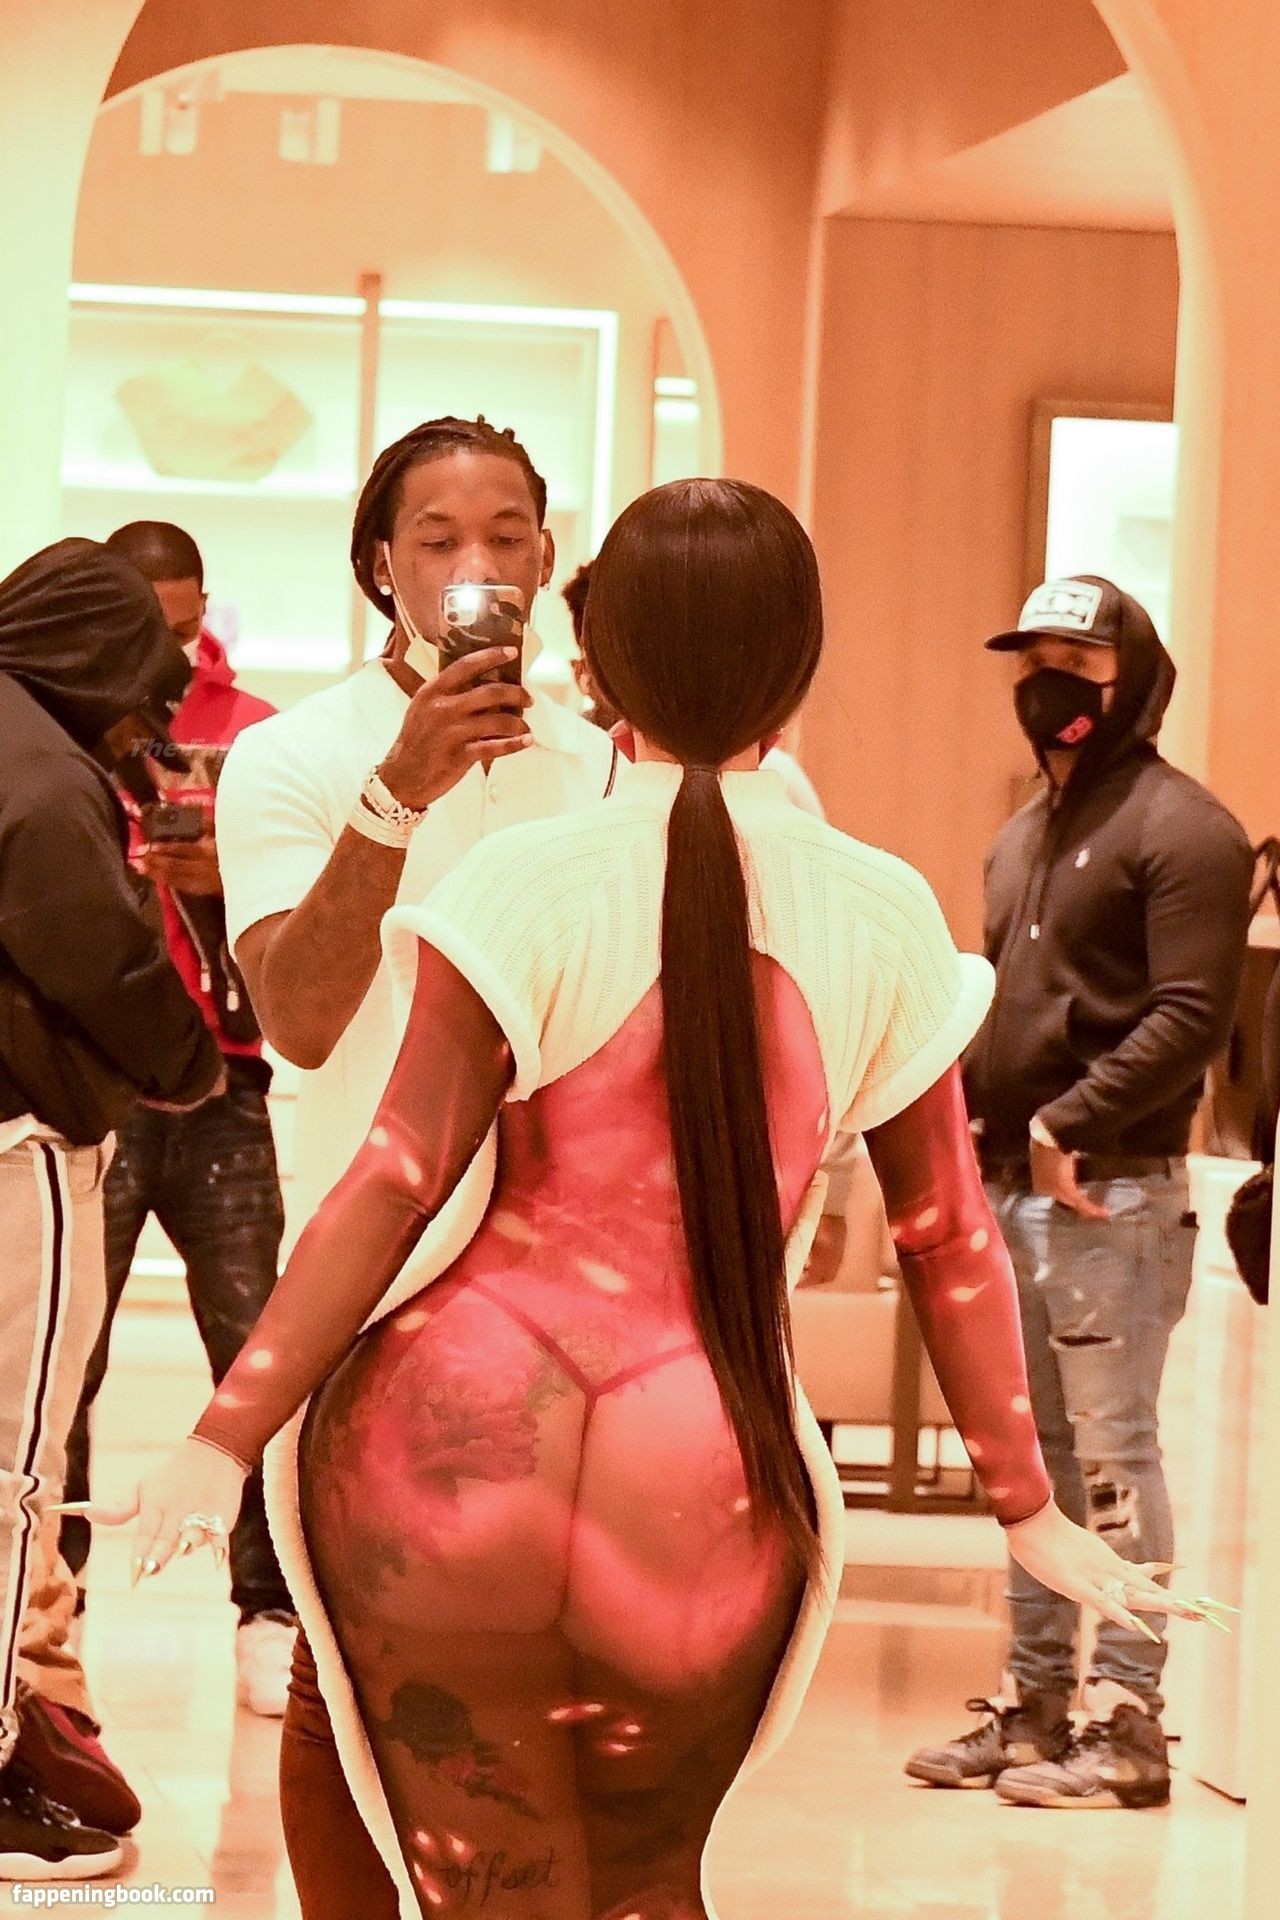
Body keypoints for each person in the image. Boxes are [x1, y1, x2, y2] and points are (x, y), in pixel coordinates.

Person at [82, 491, 1219, 1919]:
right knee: (646, 1891)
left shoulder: (521, 882)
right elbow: (944, 1233)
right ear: (798, 666)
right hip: (710, 1471)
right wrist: (1027, 1507)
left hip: (443, 1449)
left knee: (480, 1888)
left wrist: (222, 1434)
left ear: (598, 663)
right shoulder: (878, 909)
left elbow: (394, 1178)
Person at [906, 574, 1252, 1810]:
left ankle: (1126, 1721)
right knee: (1033, 1468)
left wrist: (1067, 1118)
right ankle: (1036, 1705)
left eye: (1074, 662)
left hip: (1112, 1197)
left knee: (1111, 1455)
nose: (1045, 683)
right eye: (1030, 660)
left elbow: (1189, 1015)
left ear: (1130, 679)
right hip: (1006, 1190)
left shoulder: (1186, 830)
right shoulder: (1020, 837)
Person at [0, 538, 223, 1878]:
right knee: (11, 1467)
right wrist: (189, 1063)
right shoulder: (38, 776)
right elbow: (101, 961)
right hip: (15, 1153)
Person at [59, 521, 296, 1719]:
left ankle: (270, 1609)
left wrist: (221, 878)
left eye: (190, 623)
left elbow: (305, 901)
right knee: (59, 1364)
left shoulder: (255, 733)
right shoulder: (53, 723)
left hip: (224, 1081)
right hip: (90, 1086)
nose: (174, 649)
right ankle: (46, 1607)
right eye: (152, 624)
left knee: (256, 1355)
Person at [563, 557, 826, 817]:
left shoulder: (778, 776)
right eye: (627, 657)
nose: (651, 675)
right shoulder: (561, 769)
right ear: (583, 672)